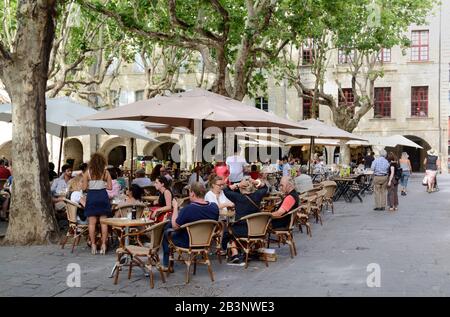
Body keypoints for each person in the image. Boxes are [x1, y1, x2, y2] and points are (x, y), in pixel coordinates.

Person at [160, 182, 219, 271]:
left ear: (192, 193)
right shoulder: (214, 207)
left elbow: (175, 226)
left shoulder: (189, 209)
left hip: (188, 242)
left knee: (167, 230)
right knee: (169, 225)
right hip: (206, 242)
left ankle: (166, 264)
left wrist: (175, 207)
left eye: (189, 192)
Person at [222, 177, 268, 263]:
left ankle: (234, 254)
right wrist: (255, 181)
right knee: (233, 229)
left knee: (228, 230)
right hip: (258, 230)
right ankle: (252, 249)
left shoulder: (238, 197)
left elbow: (225, 190)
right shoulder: (257, 195)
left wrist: (238, 184)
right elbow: (265, 187)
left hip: (242, 230)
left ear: (242, 188)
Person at [82, 153, 113, 255]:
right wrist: (101, 184)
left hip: (92, 197)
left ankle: (94, 245)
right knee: (103, 222)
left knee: (92, 223)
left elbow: (84, 188)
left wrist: (91, 185)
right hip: (102, 196)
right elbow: (110, 187)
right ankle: (104, 245)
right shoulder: (105, 172)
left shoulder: (87, 173)